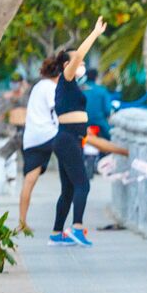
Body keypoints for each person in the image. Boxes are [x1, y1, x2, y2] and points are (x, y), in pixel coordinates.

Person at [43, 18, 129, 248]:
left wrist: (123, 150)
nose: (80, 65)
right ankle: (77, 228)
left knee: (69, 189)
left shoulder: (70, 85)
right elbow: (79, 56)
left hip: (70, 138)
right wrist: (94, 32)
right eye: (75, 62)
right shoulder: (67, 78)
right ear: (67, 65)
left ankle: (56, 233)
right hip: (67, 138)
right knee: (83, 184)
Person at [16, 58, 61, 235]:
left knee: (29, 181)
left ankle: (22, 222)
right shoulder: (51, 87)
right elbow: (56, 110)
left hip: (31, 138)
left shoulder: (38, 86)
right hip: (48, 134)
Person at [81, 66, 114, 178]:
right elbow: (107, 110)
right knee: (110, 142)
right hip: (100, 123)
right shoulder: (102, 91)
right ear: (96, 77)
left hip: (82, 123)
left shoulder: (80, 89)